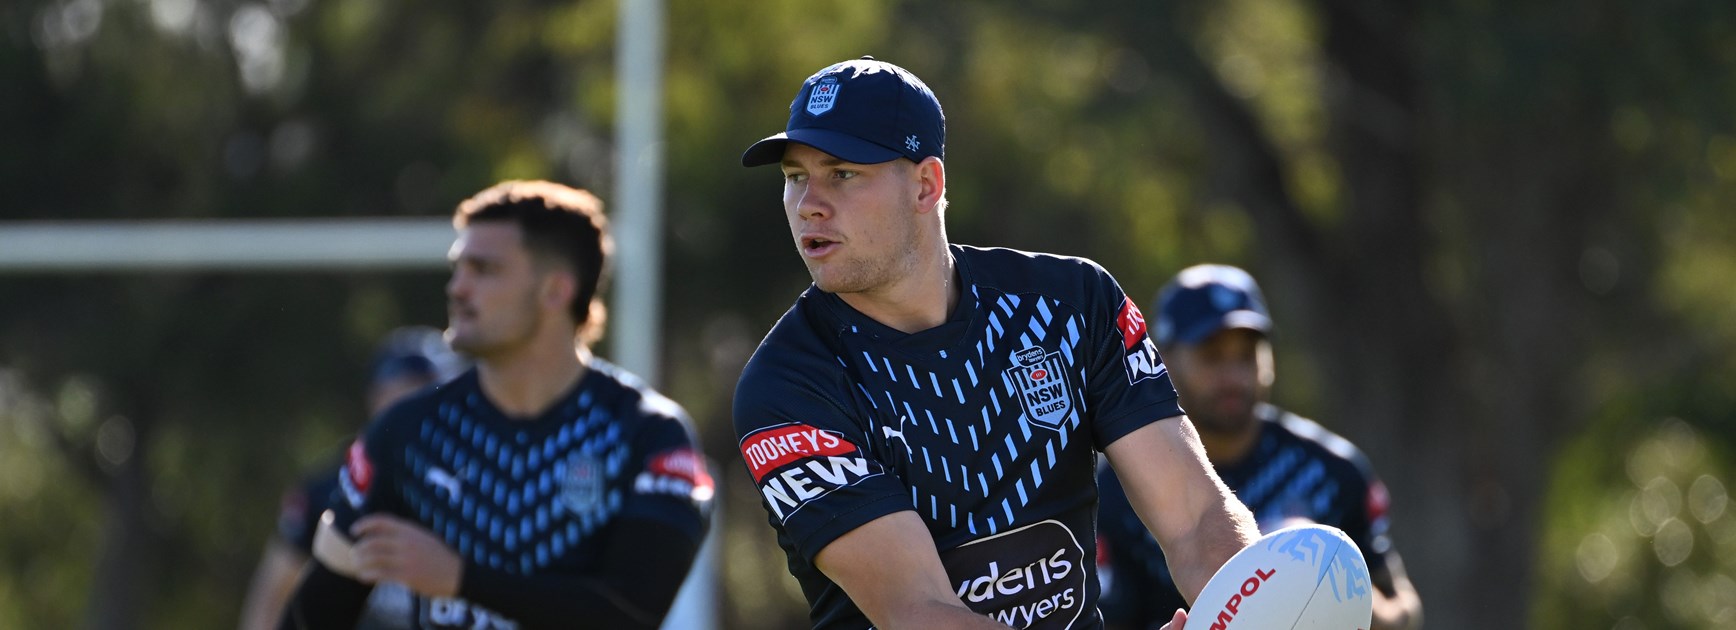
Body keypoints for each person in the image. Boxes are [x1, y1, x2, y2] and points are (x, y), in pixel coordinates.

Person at [732, 56, 1257, 630]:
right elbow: (920, 611)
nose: (808, 203)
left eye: (842, 174)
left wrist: (1250, 609)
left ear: (926, 185)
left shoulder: (1074, 305)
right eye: (795, 176)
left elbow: (1196, 516)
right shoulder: (787, 387)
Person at [280, 181, 714, 630]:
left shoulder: (647, 434)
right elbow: (312, 617)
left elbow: (632, 614)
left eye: (483, 270)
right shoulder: (409, 433)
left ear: (555, 291)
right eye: (458, 268)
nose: (457, 288)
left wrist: (460, 579)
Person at [1095, 264, 1424, 630]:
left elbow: (1406, 611)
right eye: (1212, 355)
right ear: (1164, 361)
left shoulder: (1333, 471)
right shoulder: (1116, 491)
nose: (1233, 376)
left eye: (1247, 354)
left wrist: (1333, 591)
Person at [239, 326, 463, 630]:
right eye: (400, 396)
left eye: (426, 395)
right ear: (375, 399)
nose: (411, 413)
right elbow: (273, 592)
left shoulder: (476, 488)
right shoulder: (334, 488)